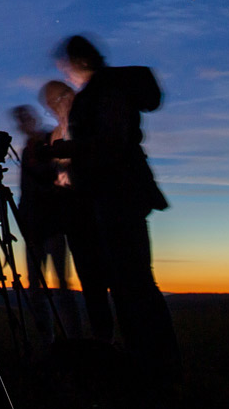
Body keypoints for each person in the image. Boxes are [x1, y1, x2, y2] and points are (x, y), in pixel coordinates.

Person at [53, 35, 180, 385]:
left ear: (78, 60)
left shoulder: (105, 90)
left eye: (65, 64)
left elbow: (111, 140)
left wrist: (69, 149)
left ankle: (156, 365)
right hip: (115, 195)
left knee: (132, 282)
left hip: (117, 195)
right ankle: (147, 360)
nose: (64, 70)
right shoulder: (105, 89)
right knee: (128, 282)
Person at [39, 80, 113, 343]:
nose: (56, 107)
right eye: (50, 105)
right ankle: (103, 342)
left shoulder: (88, 123)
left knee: (114, 279)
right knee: (91, 284)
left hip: (97, 209)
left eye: (58, 100)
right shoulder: (56, 133)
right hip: (72, 215)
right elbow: (56, 173)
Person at [11, 104, 82, 343]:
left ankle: (74, 340)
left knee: (62, 288)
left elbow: (64, 177)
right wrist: (24, 222)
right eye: (20, 120)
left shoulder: (52, 140)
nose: (23, 123)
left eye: (25, 118)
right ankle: (47, 342)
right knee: (35, 289)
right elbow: (25, 191)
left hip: (53, 224)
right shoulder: (27, 150)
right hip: (33, 228)